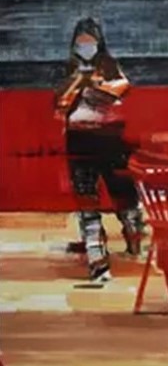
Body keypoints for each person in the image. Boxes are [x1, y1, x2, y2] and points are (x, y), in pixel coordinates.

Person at [55, 18, 144, 282]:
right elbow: (60, 104)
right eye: (81, 42)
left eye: (90, 42)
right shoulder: (69, 68)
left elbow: (122, 88)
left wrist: (95, 84)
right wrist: (77, 83)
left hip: (109, 138)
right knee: (86, 197)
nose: (85, 47)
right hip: (78, 139)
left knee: (122, 192)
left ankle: (133, 236)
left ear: (99, 43)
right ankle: (97, 259)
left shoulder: (108, 65)